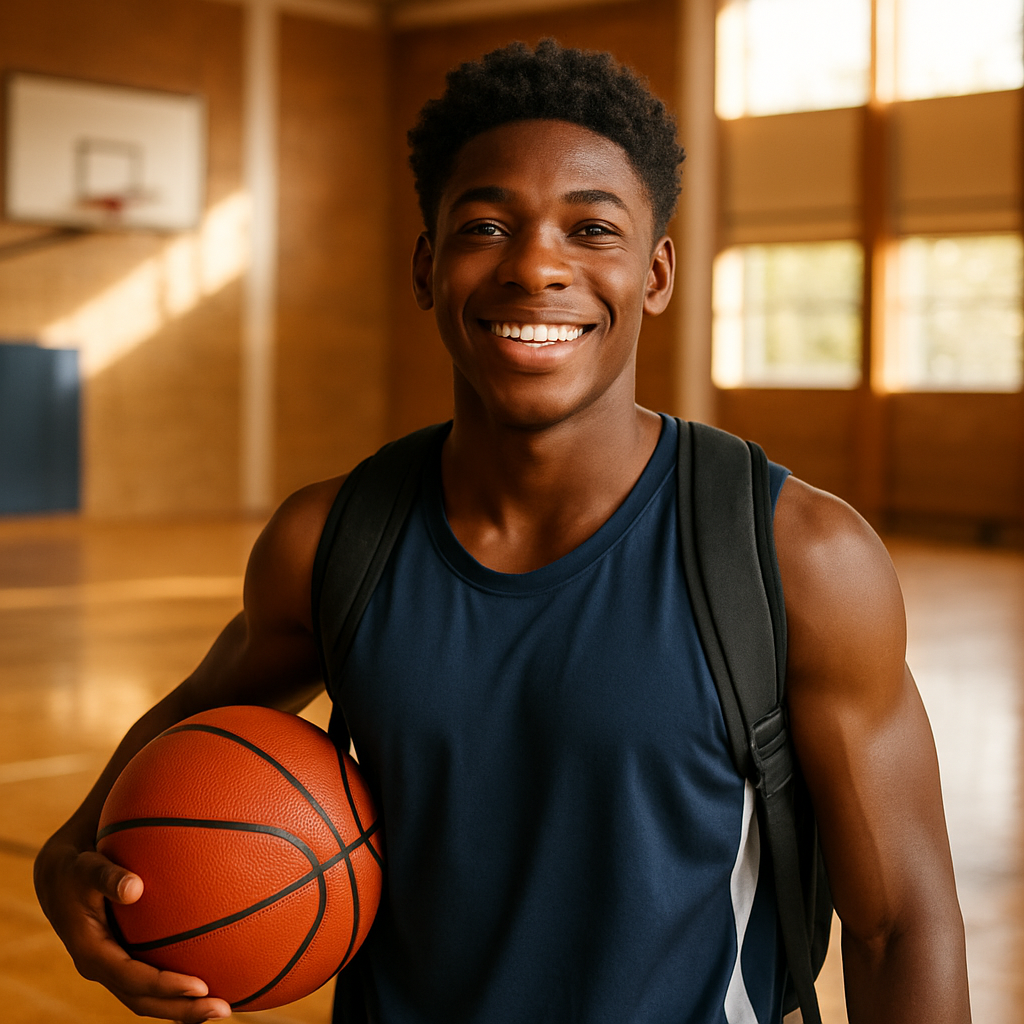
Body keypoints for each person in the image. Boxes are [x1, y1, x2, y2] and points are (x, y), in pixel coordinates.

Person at [35, 39, 970, 1024]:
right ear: (427, 267)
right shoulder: (332, 541)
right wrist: (71, 859)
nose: (535, 265)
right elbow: (174, 735)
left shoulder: (796, 558)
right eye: (487, 224)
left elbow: (900, 923)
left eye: (590, 227)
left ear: (655, 275)